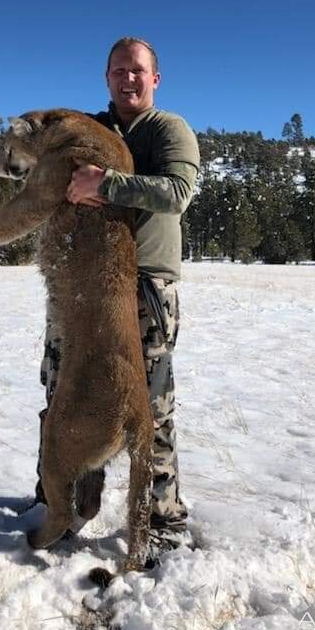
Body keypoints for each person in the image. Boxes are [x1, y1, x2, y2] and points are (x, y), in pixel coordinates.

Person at [34, 37, 200, 564]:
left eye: (138, 70)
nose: (128, 79)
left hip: (146, 287)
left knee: (147, 408)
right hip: (84, 286)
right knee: (63, 389)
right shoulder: (91, 129)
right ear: (106, 78)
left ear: (155, 79)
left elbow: (177, 192)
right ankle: (64, 499)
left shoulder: (168, 130)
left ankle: (161, 520)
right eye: (118, 71)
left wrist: (108, 184)